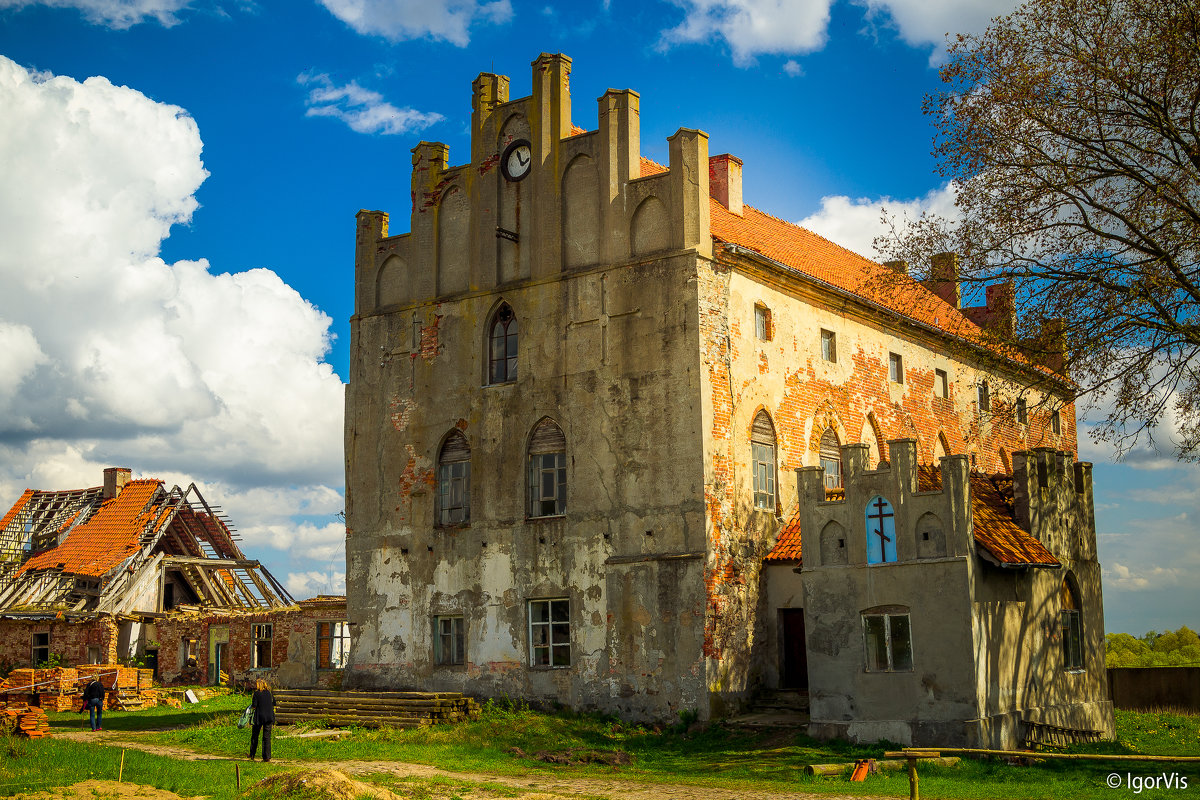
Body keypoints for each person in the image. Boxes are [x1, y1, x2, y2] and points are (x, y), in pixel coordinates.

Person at [248, 678, 276, 762]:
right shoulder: (269, 693)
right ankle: (266, 757)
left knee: (255, 736)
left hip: (259, 717)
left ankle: (252, 754)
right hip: (269, 717)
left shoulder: (256, 694)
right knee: (266, 737)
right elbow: (274, 703)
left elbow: (254, 705)